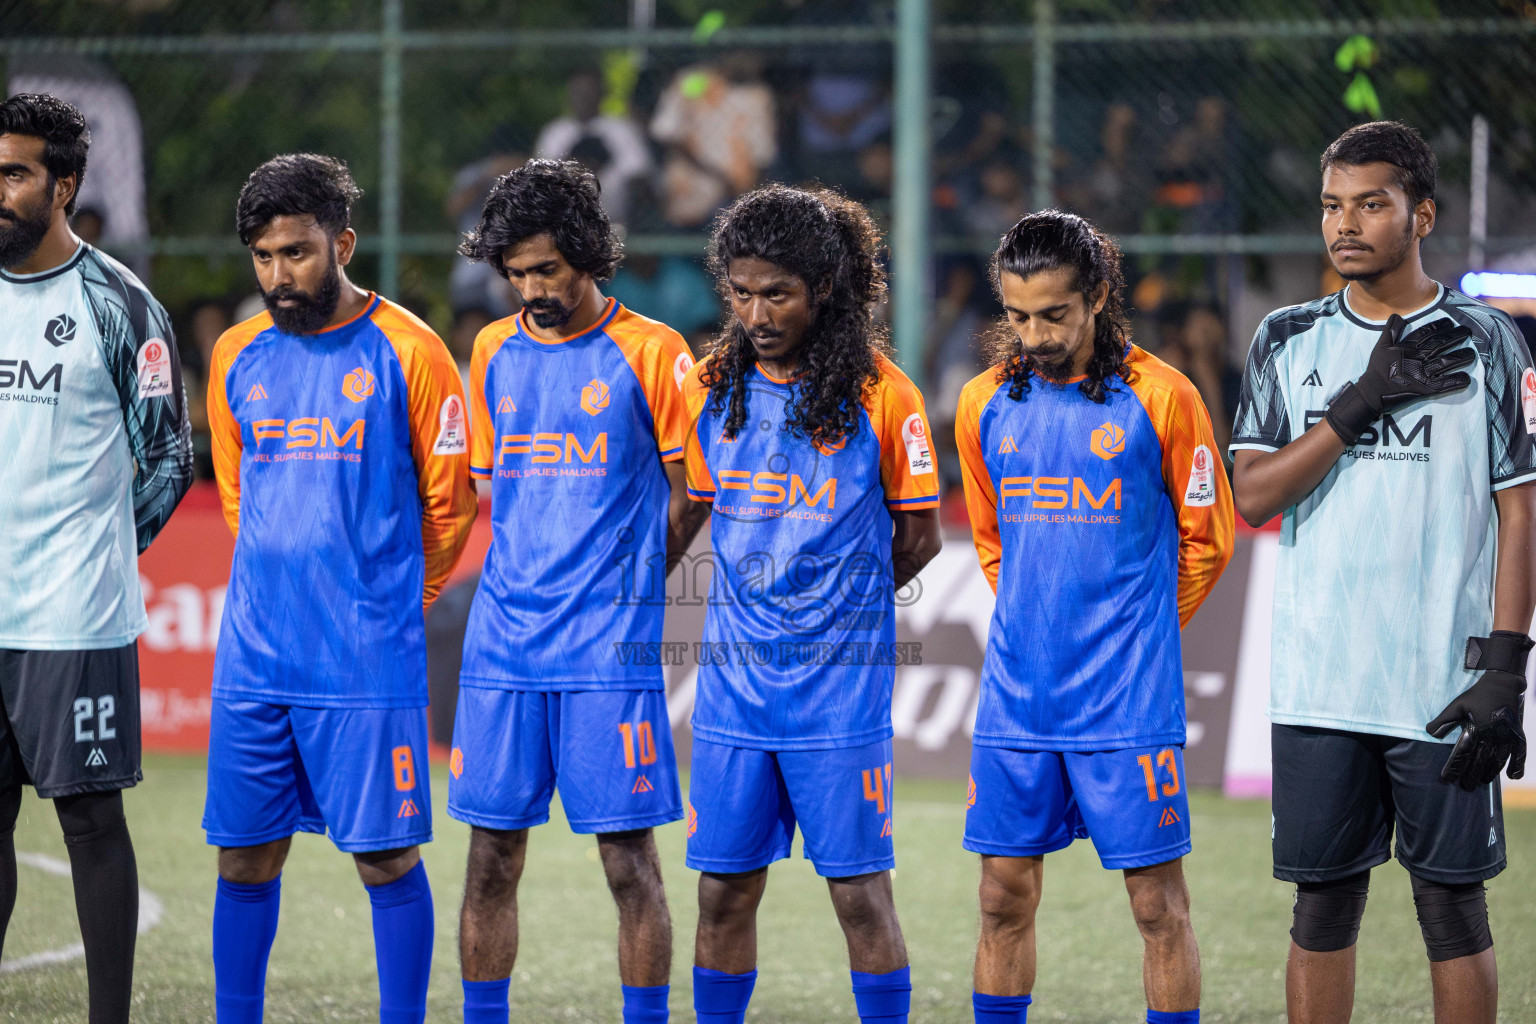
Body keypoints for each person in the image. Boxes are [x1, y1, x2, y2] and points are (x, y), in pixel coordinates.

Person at [1229, 120, 1536, 1024]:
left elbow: (1521, 509)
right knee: (1322, 906)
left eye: (1371, 203)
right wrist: (1363, 401)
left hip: (1441, 684)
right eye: (1332, 205)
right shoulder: (1287, 338)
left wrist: (1507, 668)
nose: (1345, 224)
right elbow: (1252, 495)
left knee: (1452, 908)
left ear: (1421, 213)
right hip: (1321, 682)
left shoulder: (1488, 342)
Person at [203, 153, 477, 1024]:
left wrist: (391, 602)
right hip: (256, 656)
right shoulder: (234, 355)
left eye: (297, 252)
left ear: (343, 242)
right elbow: (238, 496)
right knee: (243, 860)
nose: (279, 276)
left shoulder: (413, 351)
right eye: (263, 257)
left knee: (386, 861)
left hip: (366, 659)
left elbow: (451, 504)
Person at [955, 211, 1234, 1024]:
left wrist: (1138, 630)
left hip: (1127, 703)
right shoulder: (982, 404)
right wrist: (1041, 627)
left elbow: (1206, 542)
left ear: (1099, 297)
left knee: (1157, 907)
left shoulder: (1164, 396)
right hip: (1018, 699)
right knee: (1001, 900)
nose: (1033, 334)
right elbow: (991, 544)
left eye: (1053, 314)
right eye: (1016, 315)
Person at [680, 185, 941, 1024]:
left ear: (824, 288)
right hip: (734, 691)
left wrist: (839, 605)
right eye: (743, 292)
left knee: (861, 897)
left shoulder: (883, 393)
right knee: (722, 894)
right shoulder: (712, 384)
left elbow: (921, 539)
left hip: (838, 696)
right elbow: (704, 504)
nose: (757, 312)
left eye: (777, 293)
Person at [450, 158, 703, 1024]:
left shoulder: (654, 351)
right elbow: (493, 490)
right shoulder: (490, 350)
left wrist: (637, 578)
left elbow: (693, 491)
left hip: (607, 657)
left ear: (589, 253)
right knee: (490, 861)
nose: (530, 289)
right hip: (504, 648)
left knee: (630, 865)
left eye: (546, 270)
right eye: (515, 273)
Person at [0, 92, 192, 1024]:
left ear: (63, 185)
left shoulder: (121, 304)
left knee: (89, 822)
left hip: (71, 615)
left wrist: (99, 549)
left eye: (14, 174)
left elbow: (167, 457)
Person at [534, 67, 652, 226]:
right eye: (579, 92)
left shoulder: (622, 129)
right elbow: (542, 178)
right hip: (563, 220)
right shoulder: (555, 131)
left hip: (617, 220)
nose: (584, 98)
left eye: (590, 92)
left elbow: (638, 174)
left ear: (602, 94)